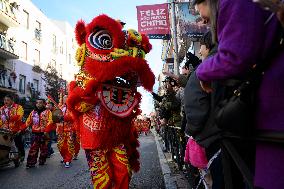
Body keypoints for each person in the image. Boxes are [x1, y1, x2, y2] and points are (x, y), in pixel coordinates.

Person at [194, 0, 284, 188]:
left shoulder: (232, 2)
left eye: (204, 17)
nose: (204, 23)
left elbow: (233, 57)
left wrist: (202, 72)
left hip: (274, 105)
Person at [25, 99, 53, 168]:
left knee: (44, 149)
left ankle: (42, 160)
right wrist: (22, 128)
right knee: (33, 148)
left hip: (44, 133)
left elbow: (50, 121)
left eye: (40, 103)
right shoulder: (33, 112)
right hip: (35, 133)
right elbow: (28, 122)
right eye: (37, 103)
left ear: (44, 104)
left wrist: (46, 131)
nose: (38, 104)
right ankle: (31, 163)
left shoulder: (48, 112)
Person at [0, 95, 25, 162]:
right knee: (6, 144)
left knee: (18, 143)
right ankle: (6, 157)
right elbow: (1, 120)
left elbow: (19, 116)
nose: (5, 101)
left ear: (12, 101)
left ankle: (21, 155)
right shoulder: (2, 108)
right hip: (5, 130)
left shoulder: (18, 107)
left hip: (16, 129)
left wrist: (9, 118)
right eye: (5, 100)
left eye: (7, 100)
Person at [56, 95, 76, 168]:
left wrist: (64, 117)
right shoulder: (60, 108)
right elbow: (56, 118)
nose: (65, 99)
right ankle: (64, 157)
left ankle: (68, 159)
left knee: (69, 145)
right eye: (64, 98)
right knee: (60, 145)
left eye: (67, 97)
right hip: (61, 130)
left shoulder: (72, 108)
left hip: (69, 129)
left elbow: (73, 117)